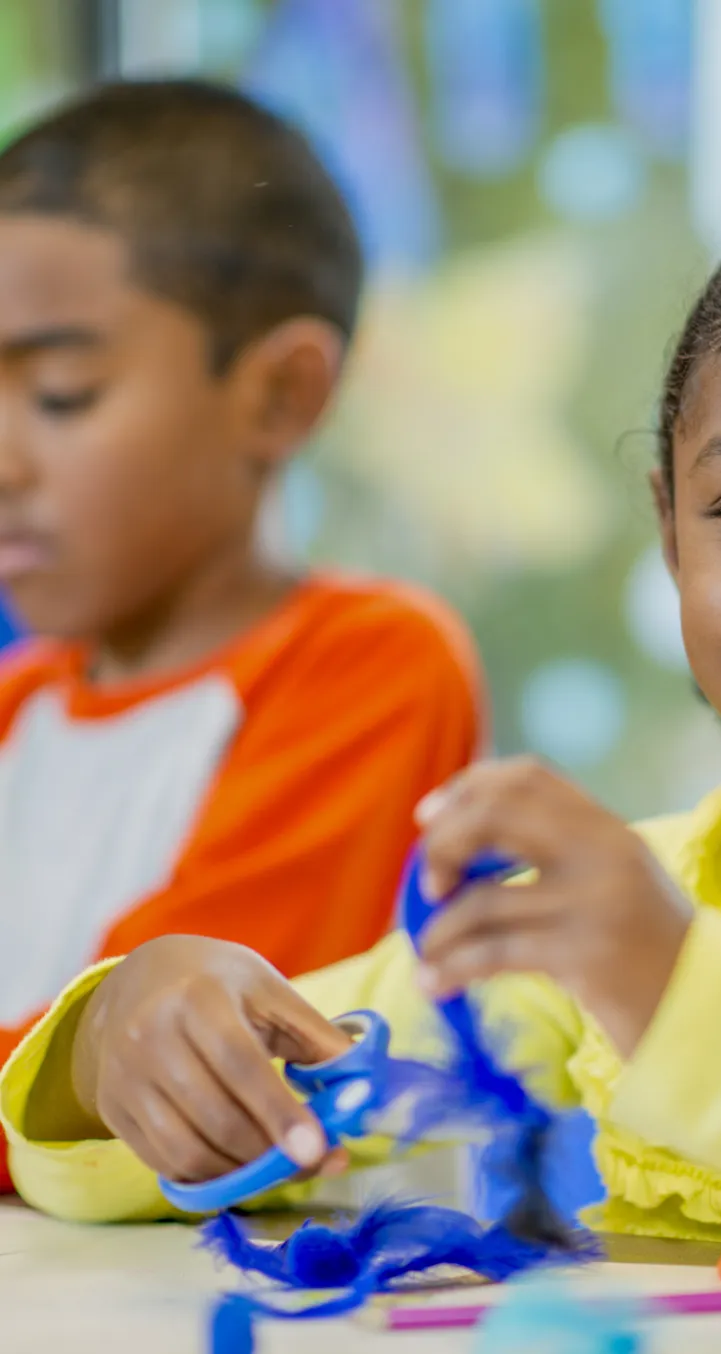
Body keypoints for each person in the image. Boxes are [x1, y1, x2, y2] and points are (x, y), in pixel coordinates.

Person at [9, 180, 721, 1265]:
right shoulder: (635, 906)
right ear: (671, 536)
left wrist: (677, 992)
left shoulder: (643, 942)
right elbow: (287, 1085)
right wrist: (115, 1044)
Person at [0, 80, 484, 1191]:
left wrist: (79, 1058)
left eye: (62, 394)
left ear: (278, 395)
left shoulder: (370, 668)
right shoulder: (15, 703)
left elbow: (164, 1069)